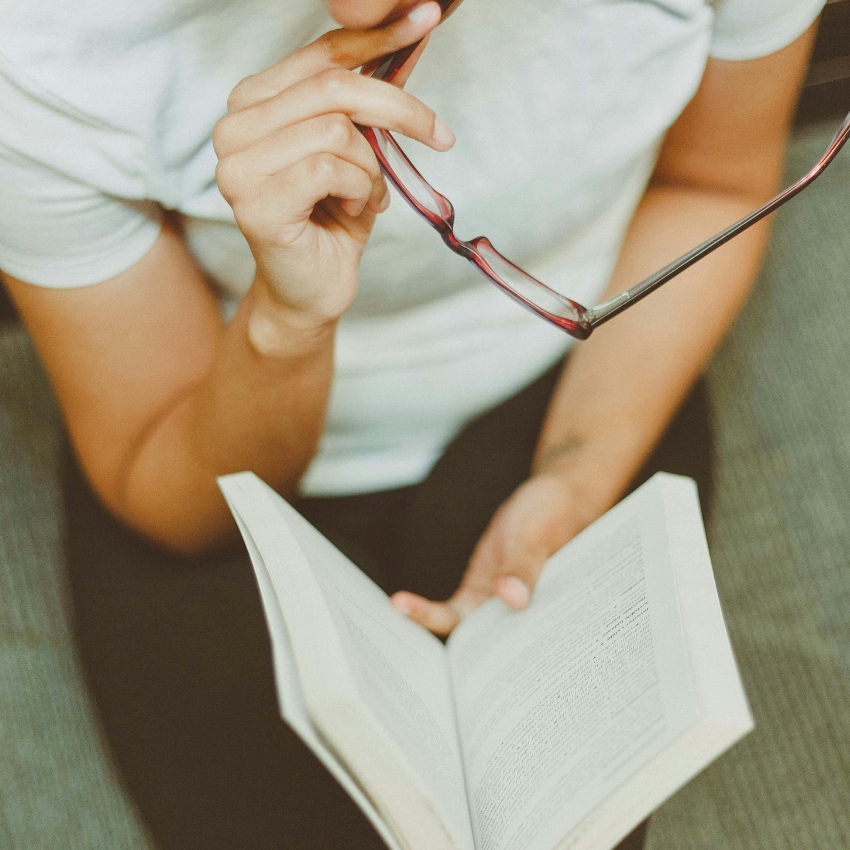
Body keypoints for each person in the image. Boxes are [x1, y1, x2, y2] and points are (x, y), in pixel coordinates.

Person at [0, 0, 821, 847]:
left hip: (578, 372)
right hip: (215, 406)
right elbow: (165, 479)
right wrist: (286, 325)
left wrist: (576, 474)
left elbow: (713, 183)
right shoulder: (38, 50)